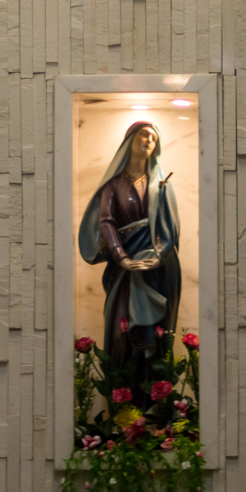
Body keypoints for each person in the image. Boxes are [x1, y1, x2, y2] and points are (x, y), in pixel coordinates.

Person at [77, 120, 181, 379]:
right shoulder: (113, 186)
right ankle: (121, 399)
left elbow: (171, 228)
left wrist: (157, 257)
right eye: (144, 135)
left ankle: (154, 402)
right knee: (121, 329)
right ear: (129, 141)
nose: (149, 141)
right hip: (124, 271)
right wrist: (122, 257)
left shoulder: (162, 185)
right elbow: (106, 222)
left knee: (155, 334)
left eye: (154, 139)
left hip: (156, 273)